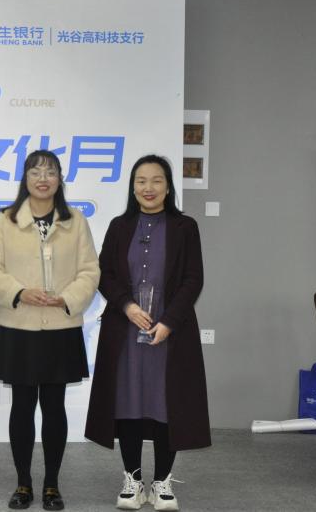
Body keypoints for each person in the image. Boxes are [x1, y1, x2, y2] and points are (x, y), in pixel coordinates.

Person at [84, 155, 210, 511]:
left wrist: (168, 321)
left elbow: (193, 278)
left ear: (168, 187)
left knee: (166, 405)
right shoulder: (119, 226)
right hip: (125, 333)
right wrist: (127, 306)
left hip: (170, 334)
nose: (148, 188)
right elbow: (105, 274)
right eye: (141, 181)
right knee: (128, 404)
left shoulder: (185, 227)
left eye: (156, 181)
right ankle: (133, 480)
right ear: (133, 186)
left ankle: (162, 483)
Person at [0, 150, 100, 511]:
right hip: (20, 327)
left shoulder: (75, 221)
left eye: (50, 172)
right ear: (25, 178)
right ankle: (23, 483)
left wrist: (67, 298)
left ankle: (51, 485)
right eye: (35, 172)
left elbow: (90, 270)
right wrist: (19, 292)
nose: (43, 179)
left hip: (61, 326)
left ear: (60, 179)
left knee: (54, 406)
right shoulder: (6, 220)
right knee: (22, 406)